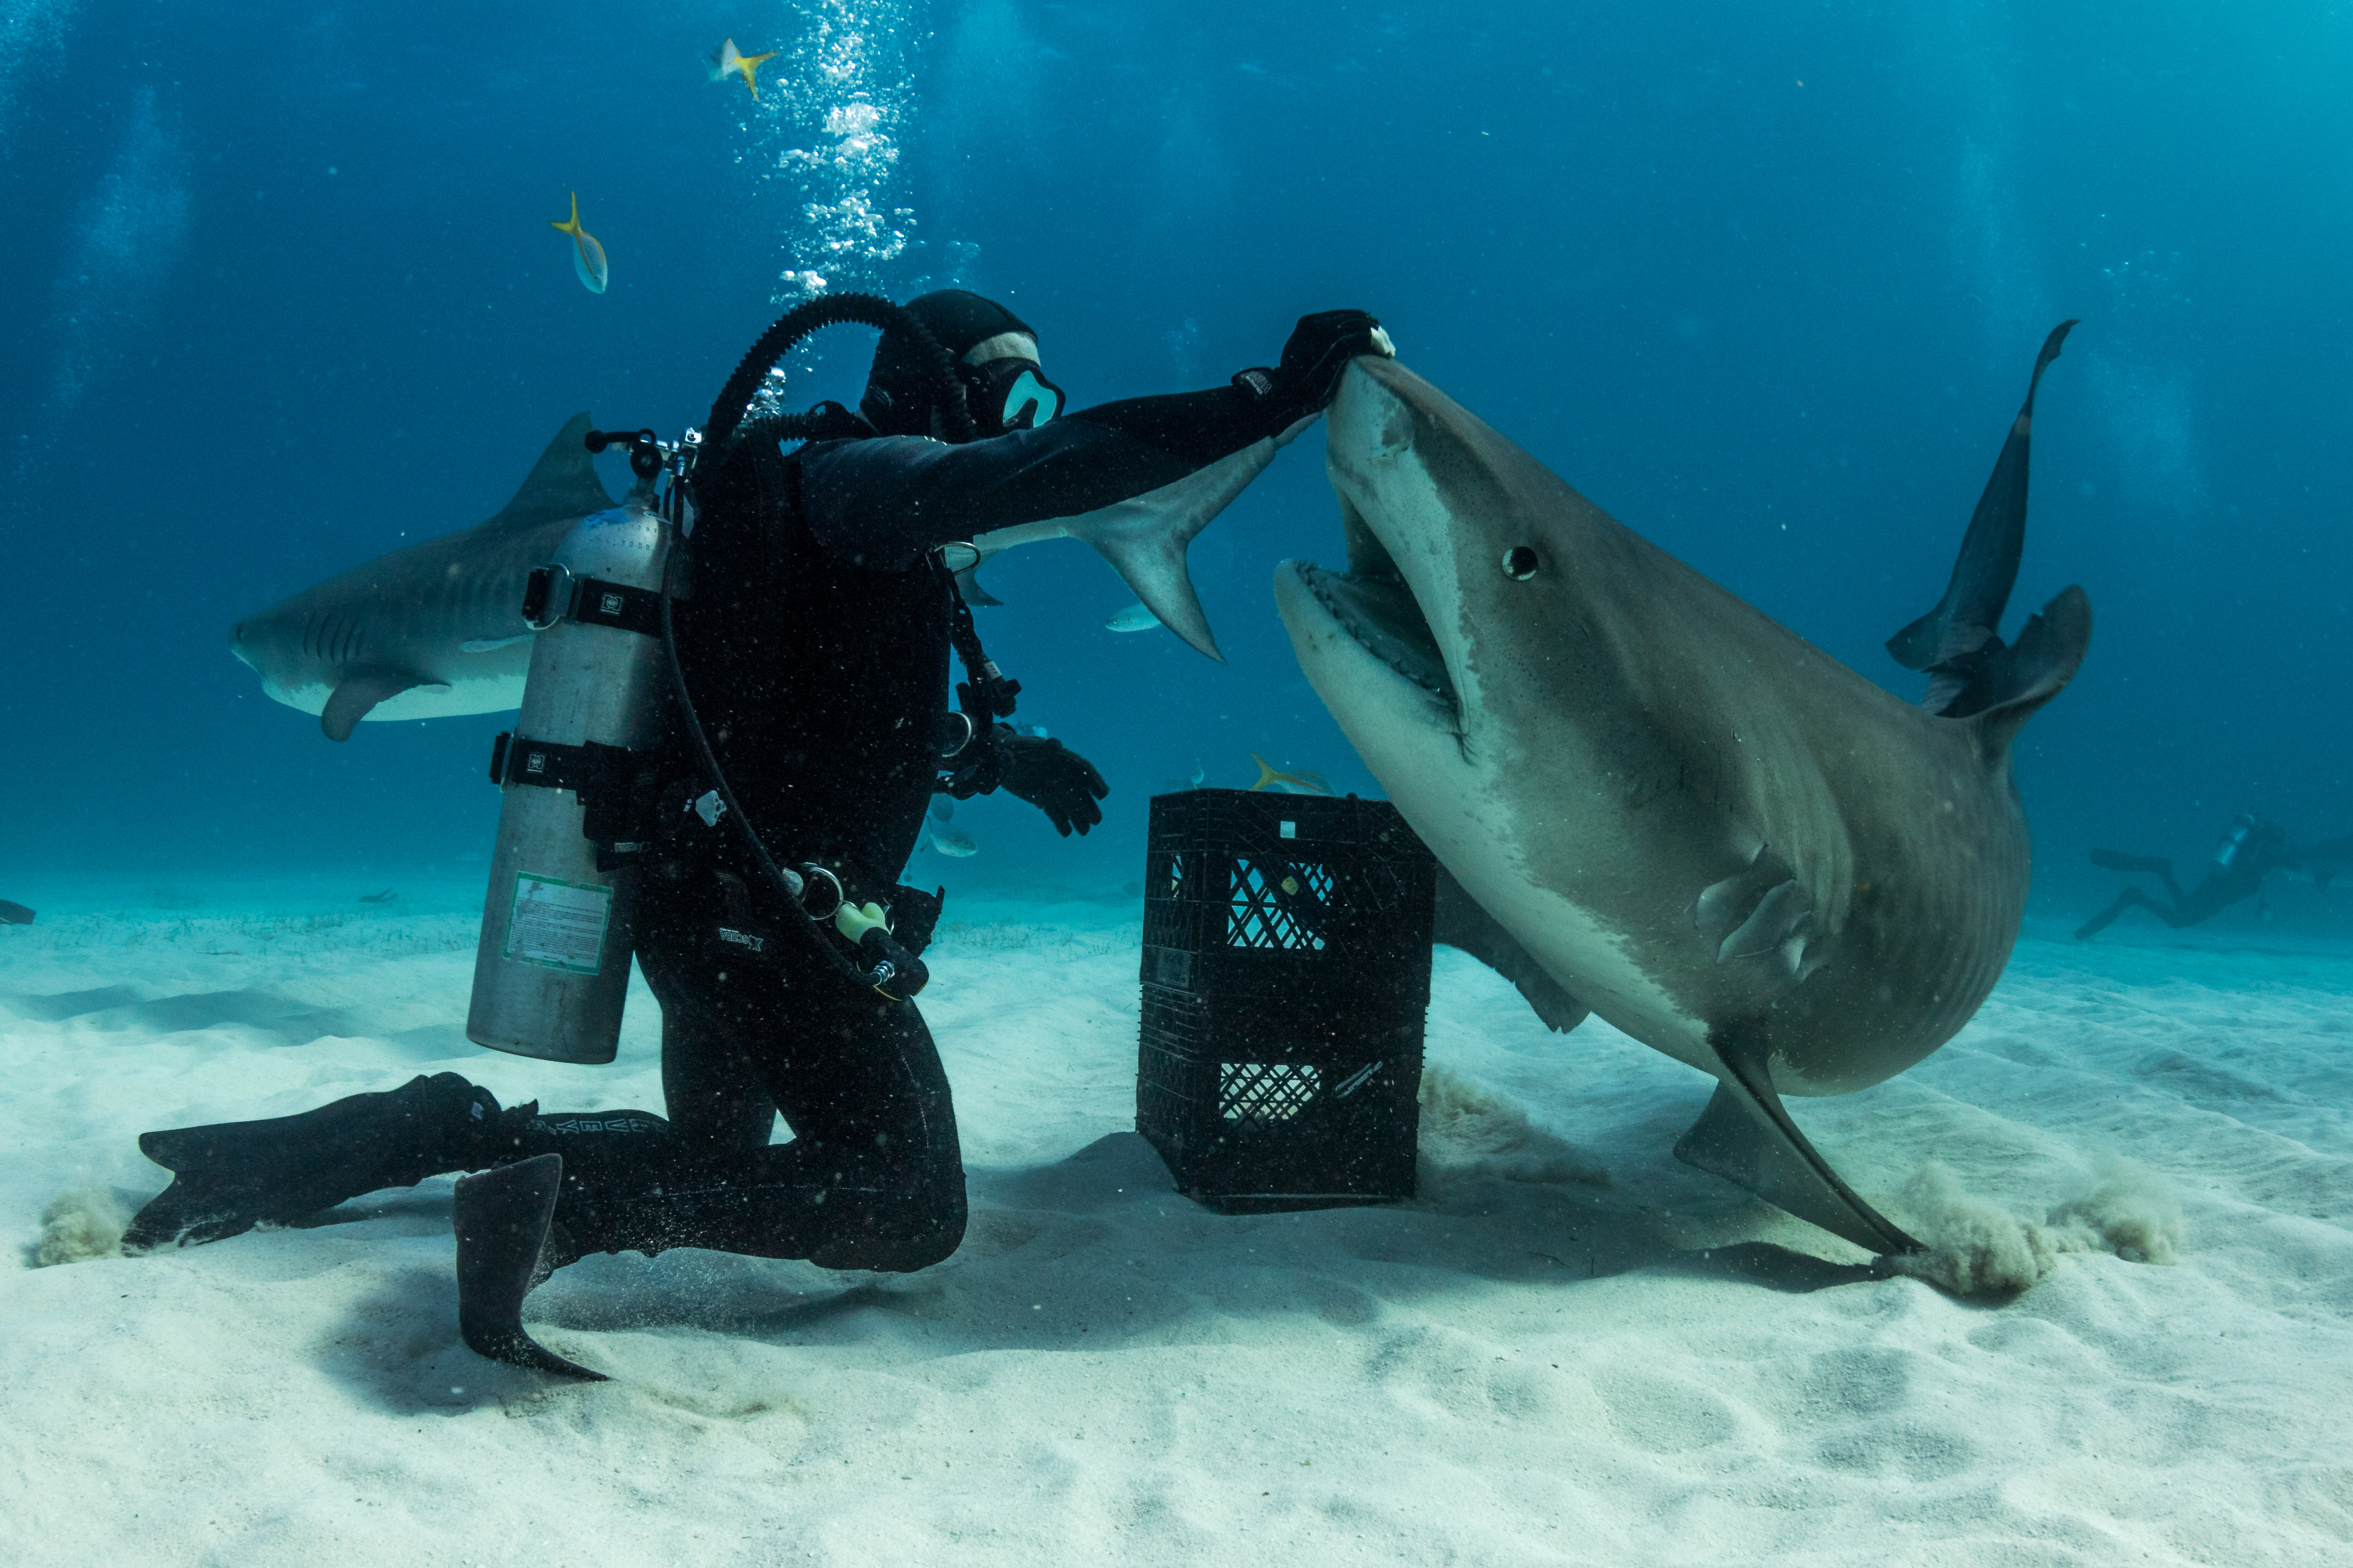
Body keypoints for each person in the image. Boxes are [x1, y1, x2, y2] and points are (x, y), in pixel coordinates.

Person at [125, 293, 1389, 1378]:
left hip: (700, 909)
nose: (1027, 422)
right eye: (1013, 395)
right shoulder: (862, 481)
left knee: (712, 1155)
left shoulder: (816, 506)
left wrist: (989, 755)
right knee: (909, 1202)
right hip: (779, 927)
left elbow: (810, 710)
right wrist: (1266, 398)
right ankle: (561, 1212)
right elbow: (1038, 472)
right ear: (932, 390)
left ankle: (425, 1129)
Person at [2074, 811, 2298, 938]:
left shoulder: (2257, 849)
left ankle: (2145, 887)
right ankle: (2152, 881)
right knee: (2183, 919)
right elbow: (2288, 864)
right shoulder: (2267, 854)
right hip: (2224, 889)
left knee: (2182, 917)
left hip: (2220, 884)